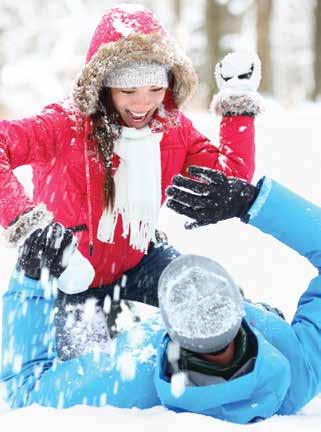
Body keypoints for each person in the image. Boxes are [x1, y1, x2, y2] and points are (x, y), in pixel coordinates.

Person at [0, 4, 262, 359]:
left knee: (214, 305)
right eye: (128, 91)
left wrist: (237, 109)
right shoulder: (64, 125)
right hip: (71, 275)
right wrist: (27, 222)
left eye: (155, 88)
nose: (143, 104)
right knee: (94, 373)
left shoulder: (169, 127)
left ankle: (260, 342)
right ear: (104, 87)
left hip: (140, 259)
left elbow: (227, 177)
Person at [2, 167, 321, 425]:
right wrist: (252, 201)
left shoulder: (130, 379)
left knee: (81, 324)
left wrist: (30, 281)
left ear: (170, 328)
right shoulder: (298, 371)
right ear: (241, 314)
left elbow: (25, 391)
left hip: (96, 332)